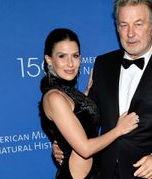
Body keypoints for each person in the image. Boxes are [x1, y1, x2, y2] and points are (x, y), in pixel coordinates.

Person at [54, 0, 152, 178]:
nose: (130, 33)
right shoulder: (102, 64)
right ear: (117, 28)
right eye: (124, 25)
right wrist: (64, 142)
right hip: (104, 172)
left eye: (138, 24)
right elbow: (89, 117)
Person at [39, 28, 139, 179]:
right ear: (49, 59)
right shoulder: (54, 98)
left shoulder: (68, 92)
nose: (70, 63)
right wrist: (119, 129)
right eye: (62, 56)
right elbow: (85, 149)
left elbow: (77, 116)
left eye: (75, 56)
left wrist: (86, 95)